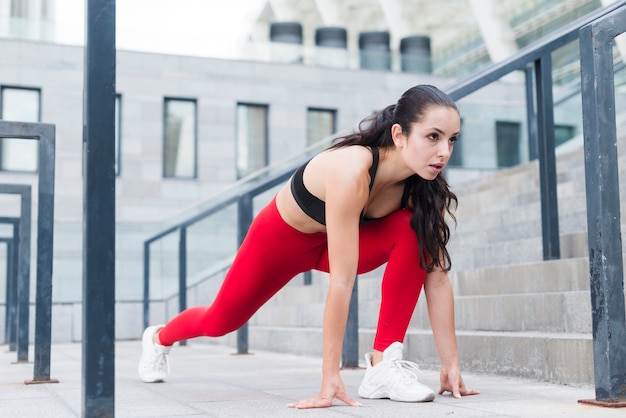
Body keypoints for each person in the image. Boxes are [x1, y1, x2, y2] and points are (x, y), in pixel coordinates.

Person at [138, 84, 479, 408]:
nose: (444, 152)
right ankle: (158, 338)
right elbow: (343, 281)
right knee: (219, 322)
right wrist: (330, 378)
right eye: (433, 137)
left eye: (452, 140)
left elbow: (435, 278)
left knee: (412, 229)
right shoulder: (352, 170)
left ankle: (383, 365)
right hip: (280, 241)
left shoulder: (421, 188)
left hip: (332, 246)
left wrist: (451, 365)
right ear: (399, 135)